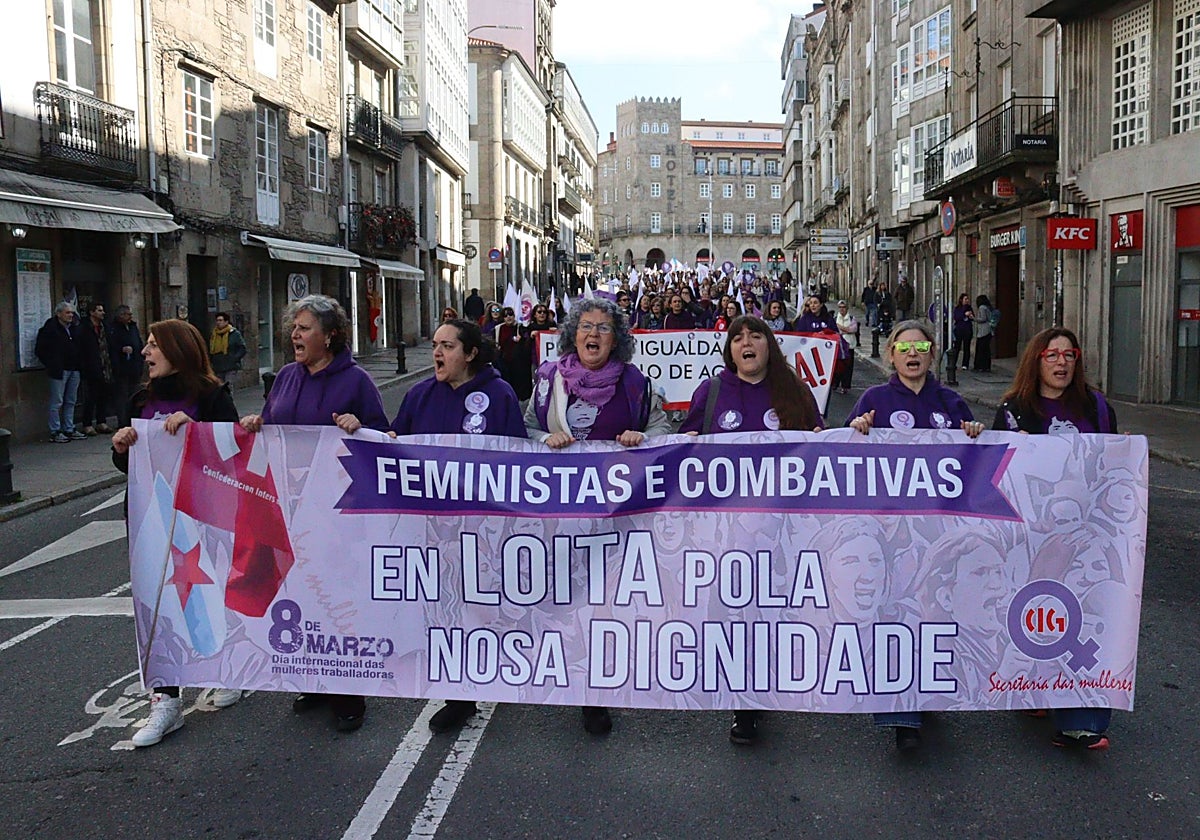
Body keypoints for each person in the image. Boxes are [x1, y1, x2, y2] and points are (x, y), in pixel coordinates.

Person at [239, 295, 388, 733]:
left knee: (337, 596)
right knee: (300, 593)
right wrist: (256, 424)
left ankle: (349, 693)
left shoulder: (356, 380)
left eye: (305, 328)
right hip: (289, 503)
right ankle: (316, 677)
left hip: (336, 508)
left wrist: (359, 427)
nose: (295, 336)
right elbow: (273, 424)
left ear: (331, 336)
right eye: (295, 328)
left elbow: (383, 435)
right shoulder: (286, 376)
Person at [524, 298, 670, 735]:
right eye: (586, 327)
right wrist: (543, 437)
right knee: (564, 600)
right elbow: (527, 427)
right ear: (573, 335)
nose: (593, 335)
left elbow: (663, 429)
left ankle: (594, 694)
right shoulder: (549, 379)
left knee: (603, 605)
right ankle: (562, 673)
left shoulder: (635, 384)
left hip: (616, 519)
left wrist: (641, 436)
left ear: (616, 339)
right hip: (560, 513)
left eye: (604, 329)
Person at [680, 315, 823, 745]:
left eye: (755, 335)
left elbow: (820, 444)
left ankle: (772, 682)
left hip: (783, 527)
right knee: (737, 613)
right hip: (726, 528)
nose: (746, 343)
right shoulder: (714, 390)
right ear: (730, 350)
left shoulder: (794, 391)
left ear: (769, 346)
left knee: (773, 612)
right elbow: (686, 443)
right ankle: (745, 706)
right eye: (737, 337)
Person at [847, 320, 985, 752]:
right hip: (892, 531)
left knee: (937, 614)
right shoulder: (875, 399)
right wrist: (858, 429)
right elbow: (847, 456)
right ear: (890, 354)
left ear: (932, 353)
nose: (913, 354)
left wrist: (974, 433)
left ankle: (932, 689)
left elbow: (973, 459)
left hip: (940, 529)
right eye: (904, 347)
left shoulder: (950, 401)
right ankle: (903, 715)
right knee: (897, 615)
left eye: (922, 346)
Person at [111, 319, 242, 747]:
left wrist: (198, 432)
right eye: (146, 345)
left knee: (207, 598)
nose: (146, 352)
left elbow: (233, 449)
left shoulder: (211, 396)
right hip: (152, 522)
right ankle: (165, 702)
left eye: (154, 346)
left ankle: (224, 669)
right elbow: (130, 468)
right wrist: (121, 445)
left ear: (178, 350)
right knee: (157, 606)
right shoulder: (139, 399)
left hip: (201, 519)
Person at [391, 319, 526, 732]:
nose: (437, 353)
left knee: (481, 608)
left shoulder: (498, 395)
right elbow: (394, 442)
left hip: (483, 527)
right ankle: (459, 695)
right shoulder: (419, 395)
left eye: (447, 346)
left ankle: (501, 670)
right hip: (433, 526)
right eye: (435, 345)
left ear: (469, 354)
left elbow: (519, 455)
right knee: (442, 610)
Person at [992, 327, 1117, 750]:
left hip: (1089, 535)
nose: (1062, 362)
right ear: (1036, 360)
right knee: (1041, 616)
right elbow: (999, 473)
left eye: (1070, 354)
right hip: (1034, 536)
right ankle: (1035, 689)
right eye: (1052, 354)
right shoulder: (1014, 408)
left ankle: (1082, 717)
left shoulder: (1096, 406)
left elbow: (1114, 461)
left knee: (1089, 620)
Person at [35, 301, 87, 443]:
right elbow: (40, 350)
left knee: (71, 400)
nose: (70, 315)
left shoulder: (75, 328)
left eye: (72, 312)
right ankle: (55, 430)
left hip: (74, 368)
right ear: (58, 314)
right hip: (59, 370)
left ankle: (69, 428)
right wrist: (52, 363)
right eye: (67, 312)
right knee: (57, 401)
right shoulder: (50, 329)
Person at [78, 302, 115, 435]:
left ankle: (101, 421)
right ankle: (87, 424)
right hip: (91, 367)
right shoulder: (84, 328)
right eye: (99, 310)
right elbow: (82, 349)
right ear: (92, 312)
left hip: (105, 365)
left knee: (103, 396)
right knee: (90, 397)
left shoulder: (105, 327)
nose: (102, 313)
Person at [109, 305, 144, 411]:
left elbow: (138, 342)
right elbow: (111, 346)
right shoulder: (113, 328)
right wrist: (121, 349)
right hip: (122, 367)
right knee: (122, 396)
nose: (130, 316)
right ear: (121, 315)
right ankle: (123, 421)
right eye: (128, 314)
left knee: (135, 393)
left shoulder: (133, 327)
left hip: (135, 366)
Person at [495, 307, 533, 401]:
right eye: (506, 315)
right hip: (504, 360)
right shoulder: (499, 328)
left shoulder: (520, 327)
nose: (508, 317)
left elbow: (527, 340)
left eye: (510, 314)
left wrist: (522, 339)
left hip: (518, 361)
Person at [208, 312, 247, 385]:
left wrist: (235, 358)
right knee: (219, 388)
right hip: (218, 366)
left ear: (226, 322)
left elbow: (242, 348)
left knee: (228, 387)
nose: (218, 322)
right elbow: (211, 349)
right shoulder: (214, 334)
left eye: (220, 320)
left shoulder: (234, 333)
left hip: (230, 366)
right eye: (217, 320)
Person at [833, 300, 858, 394]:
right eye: (840, 307)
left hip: (849, 346)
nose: (842, 309)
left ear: (847, 308)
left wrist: (841, 328)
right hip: (838, 346)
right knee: (838, 366)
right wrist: (845, 330)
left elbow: (853, 329)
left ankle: (845, 386)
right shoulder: (835, 318)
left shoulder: (852, 318)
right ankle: (835, 384)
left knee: (848, 367)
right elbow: (835, 330)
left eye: (843, 307)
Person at [948, 294, 975, 372]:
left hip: (968, 329)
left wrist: (971, 316)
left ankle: (965, 364)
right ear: (961, 300)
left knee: (967, 347)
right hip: (959, 330)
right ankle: (954, 363)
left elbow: (973, 317)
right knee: (957, 347)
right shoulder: (958, 308)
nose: (967, 300)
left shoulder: (969, 308)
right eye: (965, 299)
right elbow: (956, 317)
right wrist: (964, 314)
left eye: (967, 299)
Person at [972, 294, 995, 372]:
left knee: (981, 349)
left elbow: (983, 319)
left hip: (983, 331)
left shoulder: (982, 308)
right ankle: (986, 366)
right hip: (988, 331)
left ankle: (980, 366)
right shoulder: (988, 308)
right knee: (986, 350)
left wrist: (973, 318)